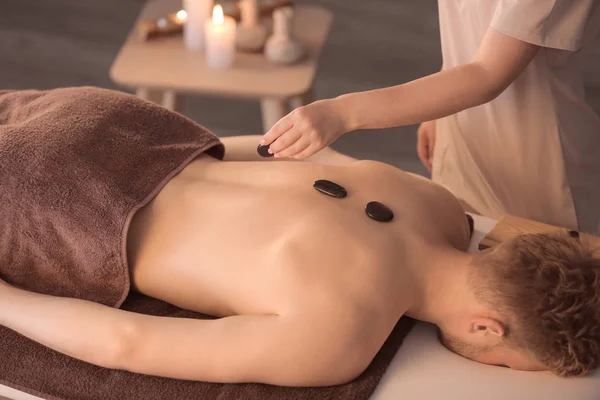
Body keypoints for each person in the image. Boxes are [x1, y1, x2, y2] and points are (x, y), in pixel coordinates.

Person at [1, 130, 599, 386]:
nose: (494, 368)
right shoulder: (338, 340)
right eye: (509, 364)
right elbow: (124, 344)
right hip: (54, 203)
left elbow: (266, 151)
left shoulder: (436, 202)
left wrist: (173, 146)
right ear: (487, 328)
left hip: (109, 129)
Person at [260, 0, 600, 235]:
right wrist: (439, 111)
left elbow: (487, 75)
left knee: (543, 295)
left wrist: (341, 112)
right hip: (463, 125)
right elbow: (472, 32)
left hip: (536, 159)